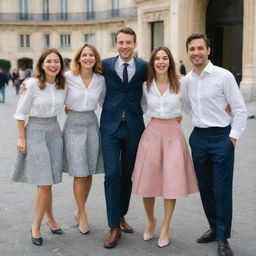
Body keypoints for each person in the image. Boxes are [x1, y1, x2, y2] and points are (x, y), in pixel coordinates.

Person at [183, 33, 247, 256]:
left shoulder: (224, 76)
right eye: (192, 49)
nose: (196, 53)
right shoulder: (187, 80)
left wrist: (233, 137)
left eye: (200, 48)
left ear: (208, 50)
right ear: (188, 52)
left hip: (222, 138)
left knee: (221, 190)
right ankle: (213, 227)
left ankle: (223, 237)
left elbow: (239, 109)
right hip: (199, 138)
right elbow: (186, 106)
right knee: (205, 188)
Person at [132, 46, 198, 248]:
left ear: (170, 61)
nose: (161, 61)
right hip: (152, 134)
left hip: (173, 136)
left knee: (172, 183)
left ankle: (165, 228)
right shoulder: (146, 85)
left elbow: (191, 106)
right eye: (157, 59)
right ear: (152, 63)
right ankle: (151, 220)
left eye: (164, 58)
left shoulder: (181, 83)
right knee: (148, 184)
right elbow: (141, 107)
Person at [11, 48, 66, 246]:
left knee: (47, 182)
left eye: (56, 61)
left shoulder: (63, 84)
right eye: (49, 61)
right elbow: (20, 113)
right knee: (43, 183)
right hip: (34, 131)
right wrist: (21, 138)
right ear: (42, 65)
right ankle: (36, 225)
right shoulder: (32, 84)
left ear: (61, 65)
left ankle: (50, 218)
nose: (53, 65)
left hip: (54, 132)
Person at [100, 27, 147, 248]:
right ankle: (113, 227)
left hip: (134, 128)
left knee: (127, 175)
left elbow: (164, 77)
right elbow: (81, 74)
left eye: (128, 42)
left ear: (134, 44)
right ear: (116, 44)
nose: (124, 46)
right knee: (111, 174)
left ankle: (120, 215)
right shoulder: (106, 65)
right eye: (121, 42)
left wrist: (183, 78)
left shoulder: (144, 67)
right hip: (110, 128)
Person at [63, 43, 105, 235]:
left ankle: (79, 209)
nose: (88, 58)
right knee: (79, 172)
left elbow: (105, 101)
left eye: (91, 55)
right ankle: (82, 212)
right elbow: (48, 86)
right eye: (84, 55)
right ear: (78, 58)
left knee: (88, 172)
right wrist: (27, 84)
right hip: (73, 124)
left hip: (91, 122)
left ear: (95, 59)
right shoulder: (67, 77)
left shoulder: (100, 80)